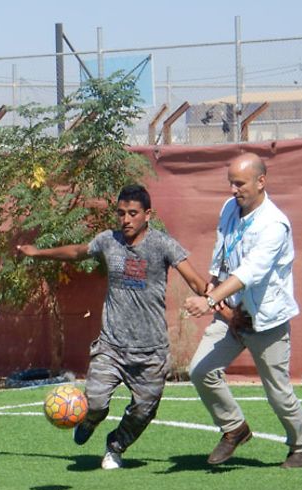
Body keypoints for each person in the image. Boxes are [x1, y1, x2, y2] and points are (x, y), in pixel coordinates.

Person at [17, 184, 207, 470]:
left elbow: (195, 280)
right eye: (121, 213)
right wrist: (38, 253)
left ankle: (115, 447)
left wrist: (214, 298)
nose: (126, 219)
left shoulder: (163, 244)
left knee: (143, 411)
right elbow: (78, 251)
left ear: (147, 214)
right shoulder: (109, 241)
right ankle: (90, 421)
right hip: (112, 346)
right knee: (94, 403)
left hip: (151, 352)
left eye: (133, 213)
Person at [183, 152, 302, 469]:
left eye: (239, 183)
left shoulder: (275, 225)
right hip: (230, 315)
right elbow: (222, 253)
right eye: (230, 182)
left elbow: (251, 272)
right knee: (200, 371)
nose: (232, 190)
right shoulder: (229, 208)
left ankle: (301, 445)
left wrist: (209, 301)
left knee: (278, 393)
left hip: (265, 321)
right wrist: (215, 293)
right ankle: (235, 428)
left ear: (261, 182)